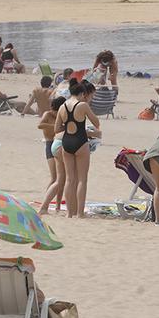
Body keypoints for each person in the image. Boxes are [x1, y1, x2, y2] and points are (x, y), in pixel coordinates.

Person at [54, 79, 101, 218]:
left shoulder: (62, 106)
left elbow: (56, 129)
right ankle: (80, 213)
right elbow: (96, 123)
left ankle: (69, 213)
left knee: (69, 179)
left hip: (66, 142)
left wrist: (68, 126)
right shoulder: (83, 105)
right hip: (80, 142)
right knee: (82, 179)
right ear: (81, 94)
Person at [37, 96, 67, 215]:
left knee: (62, 179)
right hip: (50, 144)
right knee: (54, 177)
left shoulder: (63, 116)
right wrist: (56, 127)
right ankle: (46, 203)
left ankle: (58, 205)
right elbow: (40, 125)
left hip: (59, 144)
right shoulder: (48, 114)